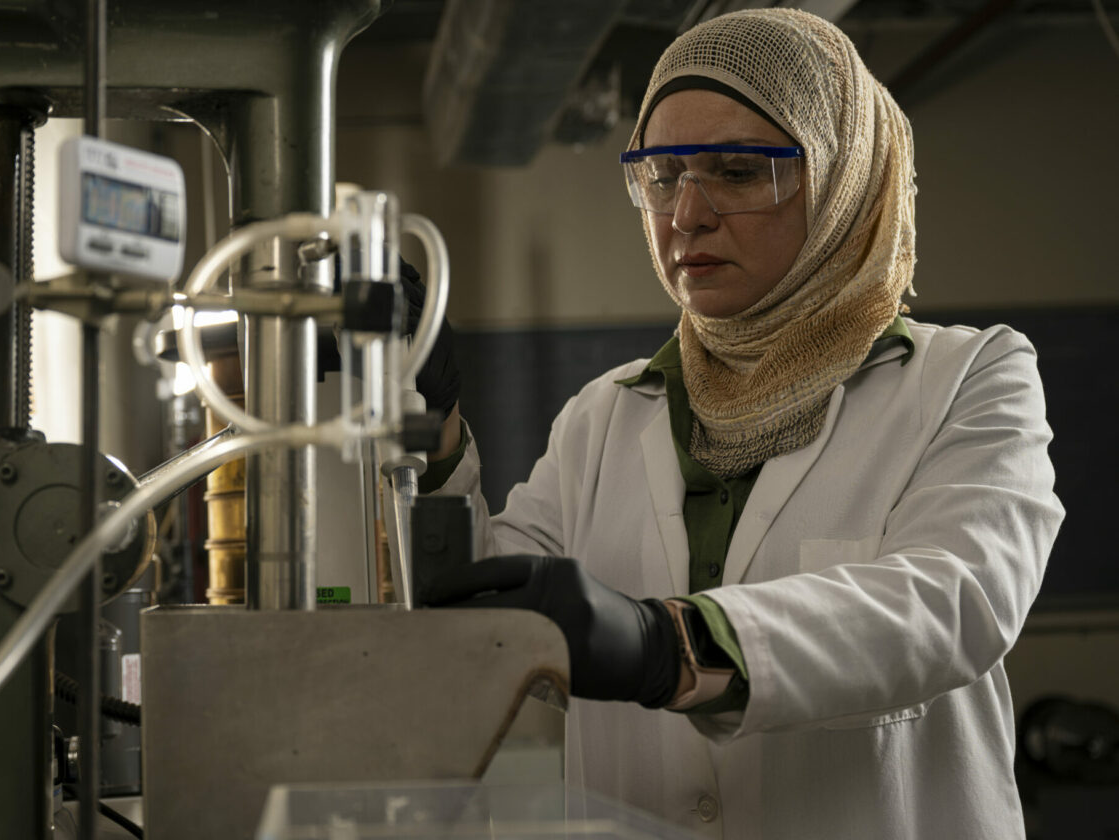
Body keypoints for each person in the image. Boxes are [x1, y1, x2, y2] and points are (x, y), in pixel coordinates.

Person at [409, 9, 1064, 840]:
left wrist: (674, 646)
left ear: (840, 180)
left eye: (739, 171)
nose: (686, 215)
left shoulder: (967, 379)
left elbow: (953, 599)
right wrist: (428, 437)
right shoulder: (606, 415)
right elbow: (489, 608)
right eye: (661, 172)